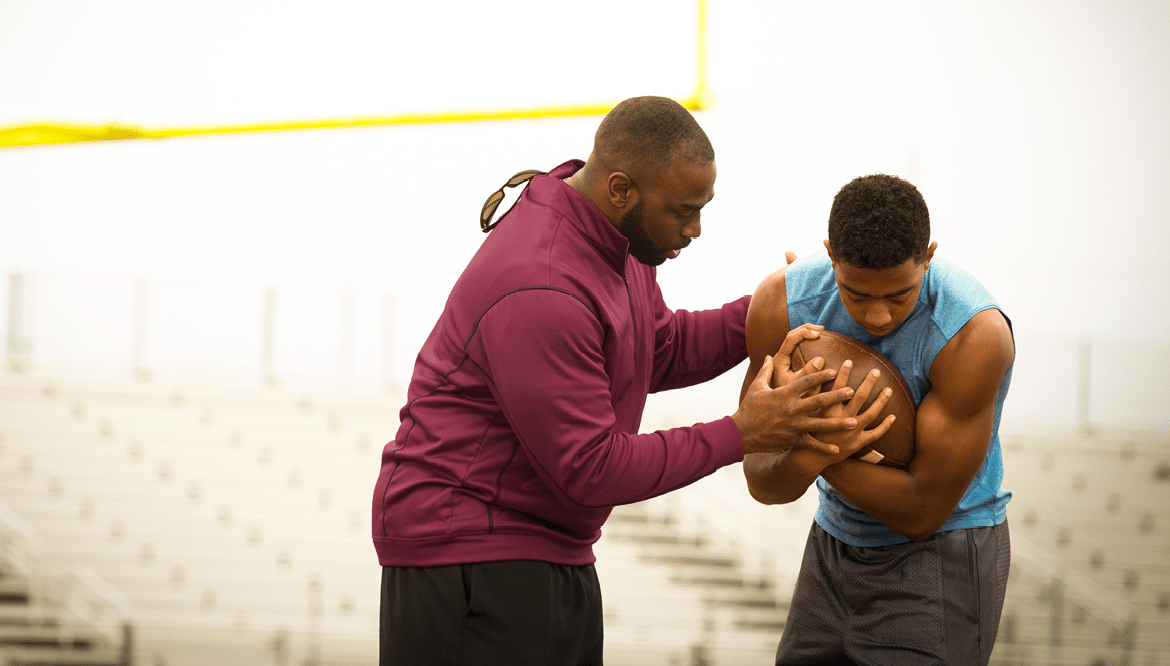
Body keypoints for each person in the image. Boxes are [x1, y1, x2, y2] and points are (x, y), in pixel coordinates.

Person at [370, 96, 882, 665]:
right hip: (468, 550)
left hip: (543, 546)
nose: (696, 228)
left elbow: (658, 350)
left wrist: (779, 304)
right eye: (683, 210)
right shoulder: (542, 284)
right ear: (621, 189)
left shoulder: (618, 239)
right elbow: (590, 468)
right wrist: (744, 431)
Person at [741, 173, 1016, 665]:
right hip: (834, 537)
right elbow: (762, 482)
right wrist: (809, 445)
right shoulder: (782, 303)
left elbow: (921, 513)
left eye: (898, 295)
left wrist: (814, 440)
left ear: (928, 256)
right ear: (830, 254)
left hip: (944, 545)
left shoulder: (972, 334)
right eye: (856, 293)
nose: (878, 316)